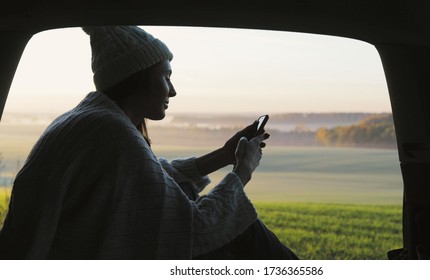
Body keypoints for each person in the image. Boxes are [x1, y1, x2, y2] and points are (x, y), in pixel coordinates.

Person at [0, 26, 297, 260]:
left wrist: (223, 155)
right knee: (244, 231)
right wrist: (243, 169)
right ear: (137, 77)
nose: (173, 90)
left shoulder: (94, 120)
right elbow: (195, 231)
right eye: (166, 77)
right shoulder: (112, 135)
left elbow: (153, 181)